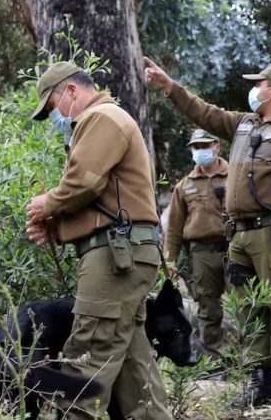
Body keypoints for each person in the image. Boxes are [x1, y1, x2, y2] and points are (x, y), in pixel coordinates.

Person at [143, 58, 271, 409]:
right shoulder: (244, 124)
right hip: (238, 236)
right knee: (247, 309)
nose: (253, 90)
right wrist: (169, 87)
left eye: (258, 84)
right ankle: (260, 380)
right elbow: (205, 113)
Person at [25, 62, 171, 419]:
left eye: (53, 105)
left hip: (116, 255)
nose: (56, 116)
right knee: (134, 363)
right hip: (126, 252)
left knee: (89, 349)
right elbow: (103, 199)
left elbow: (85, 182)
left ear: (71, 90)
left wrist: (48, 203)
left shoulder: (100, 117)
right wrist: (57, 227)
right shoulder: (105, 120)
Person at [164, 129, 228, 364]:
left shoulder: (236, 175)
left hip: (234, 248)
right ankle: (215, 362)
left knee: (246, 305)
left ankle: (249, 363)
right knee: (208, 309)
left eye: (205, 146)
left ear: (216, 147)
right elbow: (174, 229)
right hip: (201, 253)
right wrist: (170, 262)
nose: (200, 151)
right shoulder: (184, 186)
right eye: (196, 147)